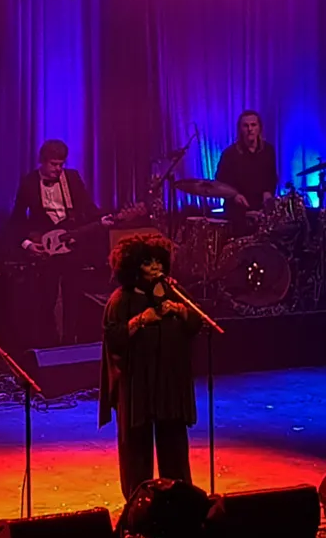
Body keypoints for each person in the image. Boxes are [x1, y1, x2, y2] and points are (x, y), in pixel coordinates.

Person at [99, 230, 202, 500]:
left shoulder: (173, 291)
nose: (155, 267)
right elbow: (114, 339)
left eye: (158, 261)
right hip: (137, 387)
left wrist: (181, 311)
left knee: (174, 446)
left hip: (168, 384)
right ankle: (138, 503)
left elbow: (196, 323)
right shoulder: (120, 300)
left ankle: (179, 500)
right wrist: (140, 320)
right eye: (147, 262)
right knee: (137, 450)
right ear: (133, 266)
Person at [10, 139, 114, 346]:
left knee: (73, 295)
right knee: (46, 299)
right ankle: (48, 344)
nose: (58, 169)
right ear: (42, 161)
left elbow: (88, 209)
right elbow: (17, 220)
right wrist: (27, 244)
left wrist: (103, 219)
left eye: (61, 164)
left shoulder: (72, 178)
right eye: (53, 164)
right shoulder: (29, 183)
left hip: (72, 246)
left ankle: (70, 341)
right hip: (45, 250)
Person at [214, 110, 278, 233]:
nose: (250, 129)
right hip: (237, 211)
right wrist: (234, 195)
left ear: (259, 128)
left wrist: (268, 192)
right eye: (246, 126)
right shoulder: (229, 154)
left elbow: (272, 176)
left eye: (253, 125)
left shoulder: (268, 150)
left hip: (262, 208)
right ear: (240, 129)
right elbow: (220, 182)